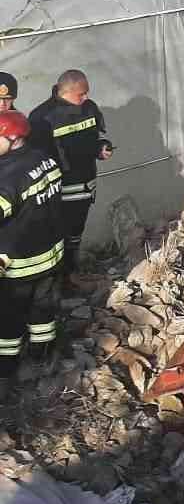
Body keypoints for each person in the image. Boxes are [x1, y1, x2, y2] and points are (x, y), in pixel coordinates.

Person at [27, 70, 112, 289]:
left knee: (76, 232)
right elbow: (36, 158)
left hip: (86, 184)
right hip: (60, 190)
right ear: (66, 91)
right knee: (59, 235)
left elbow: (93, 140)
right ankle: (59, 281)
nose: (85, 98)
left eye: (86, 94)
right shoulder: (43, 117)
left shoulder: (90, 108)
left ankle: (72, 274)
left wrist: (101, 148)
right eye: (81, 94)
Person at [0, 111, 65, 385]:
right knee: (43, 310)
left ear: (12, 138)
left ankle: (6, 368)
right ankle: (41, 355)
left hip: (19, 264)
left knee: (8, 318)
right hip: (51, 254)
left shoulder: (7, 178)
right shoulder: (44, 158)